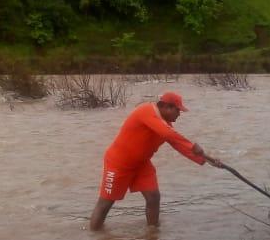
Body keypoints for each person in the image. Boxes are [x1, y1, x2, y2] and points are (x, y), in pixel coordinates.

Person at [89, 91, 221, 230]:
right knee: (105, 203)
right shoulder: (146, 110)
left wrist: (207, 159)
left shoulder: (166, 124)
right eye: (178, 110)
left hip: (141, 164)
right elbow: (168, 134)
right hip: (118, 163)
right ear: (167, 107)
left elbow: (178, 145)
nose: (179, 114)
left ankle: (152, 235)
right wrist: (193, 145)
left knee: (153, 197)